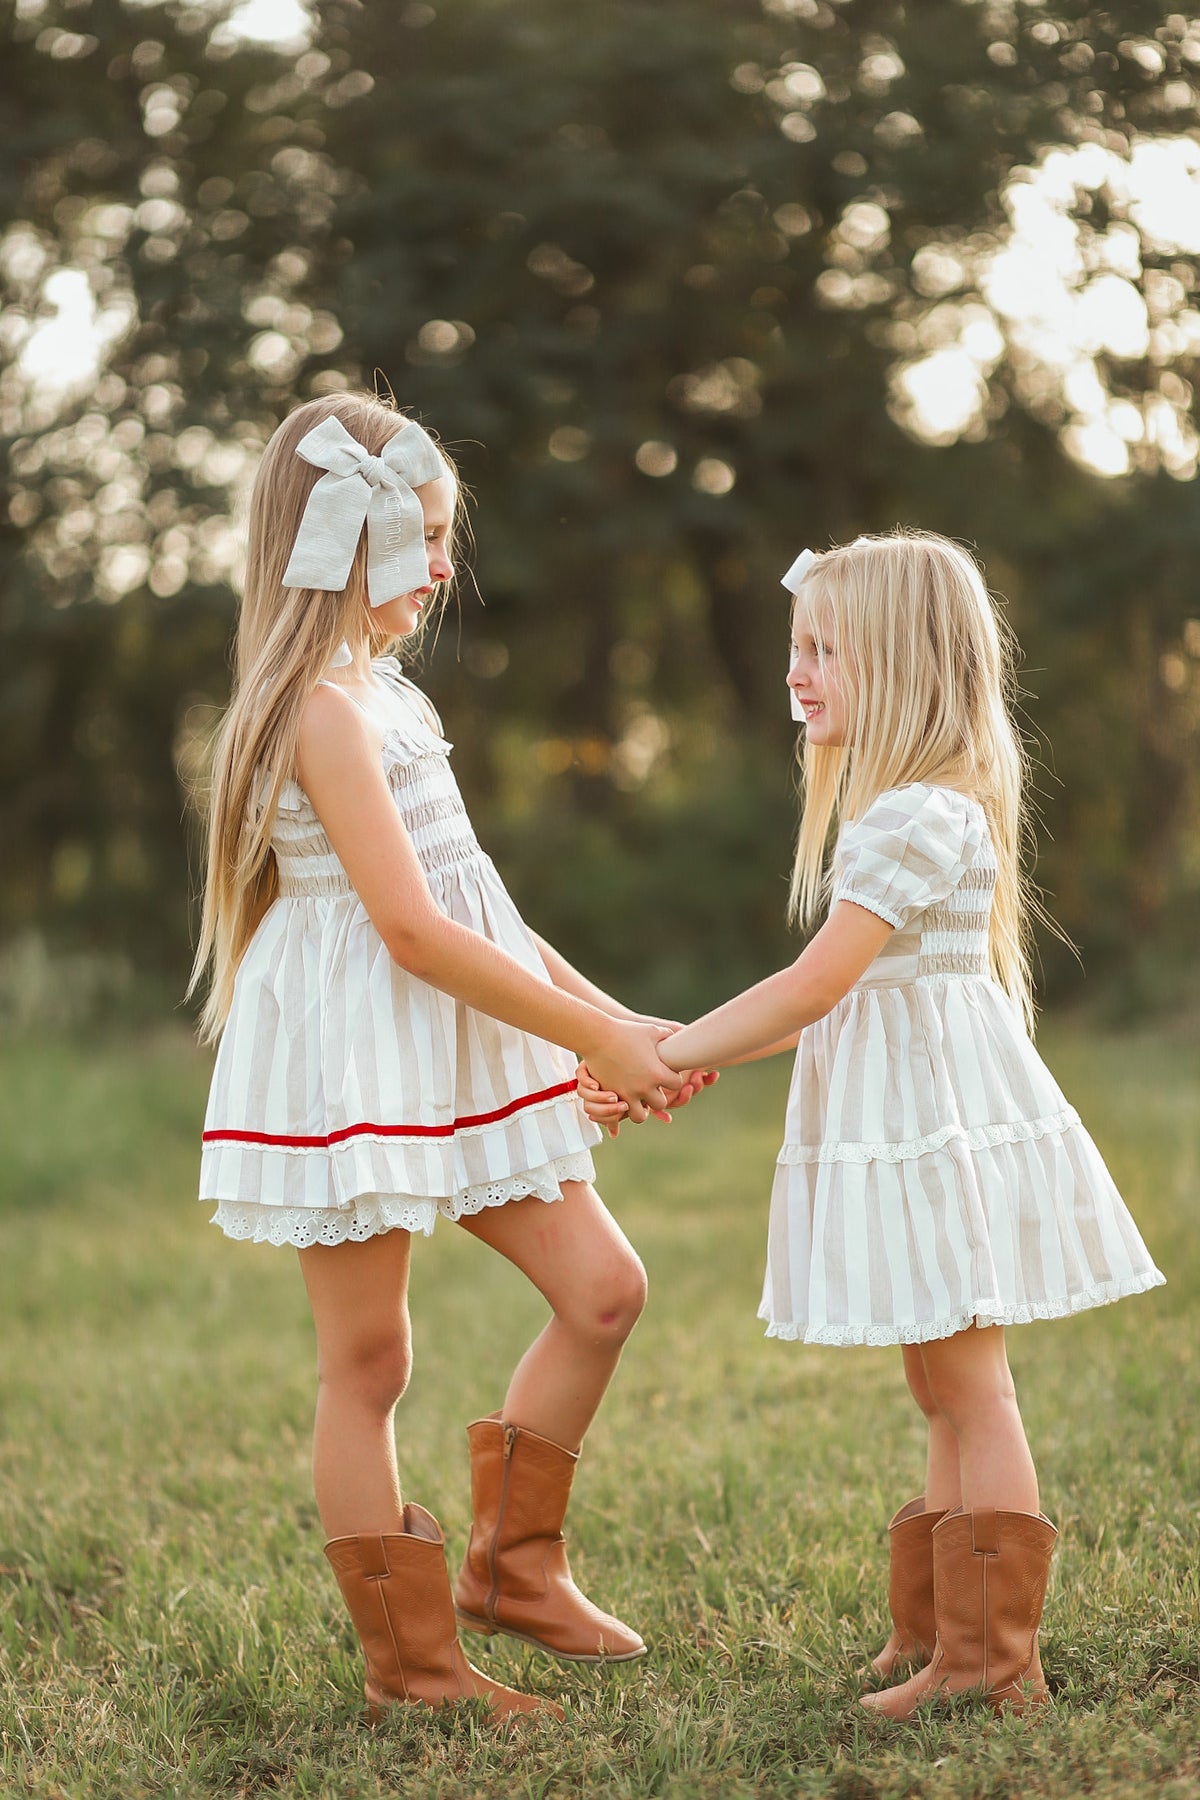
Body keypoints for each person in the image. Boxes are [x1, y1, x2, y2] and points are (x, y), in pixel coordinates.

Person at [188, 391, 709, 1724]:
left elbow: (479, 900)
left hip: (467, 1041)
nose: (435, 569)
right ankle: (414, 1670)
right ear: (330, 544)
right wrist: (585, 1037)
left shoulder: (393, 695)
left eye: (438, 540)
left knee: (602, 1288)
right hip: (361, 1058)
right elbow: (410, 933)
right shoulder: (312, 711)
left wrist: (621, 1022)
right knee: (369, 1366)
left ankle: (510, 1568)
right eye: (412, 539)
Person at [581, 531, 1164, 1719]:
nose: (798, 672)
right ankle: (938, 1631)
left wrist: (663, 1053)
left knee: (971, 1384)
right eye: (797, 646)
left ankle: (993, 1665)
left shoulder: (910, 817)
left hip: (928, 1131)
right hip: (917, 1118)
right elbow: (847, 998)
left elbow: (812, 985)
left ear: (899, 663)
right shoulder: (927, 808)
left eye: (824, 650)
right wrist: (698, 1062)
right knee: (940, 1383)